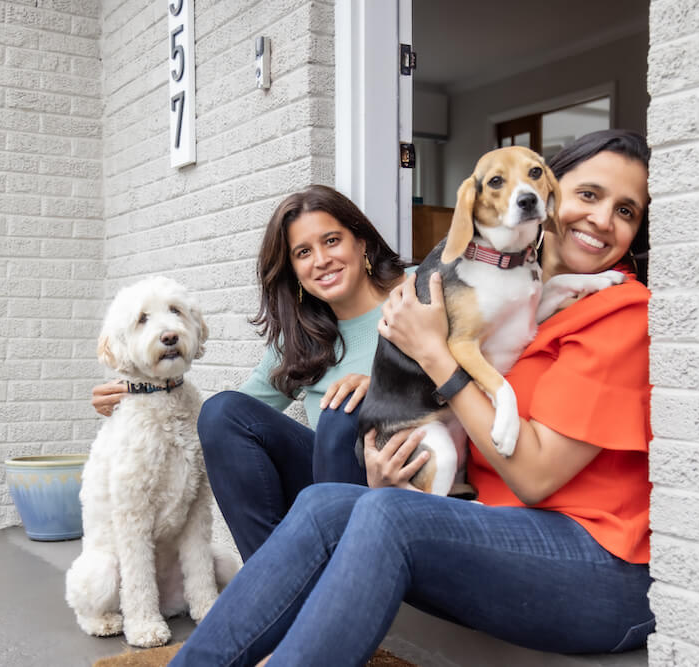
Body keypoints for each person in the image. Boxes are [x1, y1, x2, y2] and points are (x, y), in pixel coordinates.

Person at [168, 129, 656, 666]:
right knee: (325, 502)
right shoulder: (521, 293)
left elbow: (536, 478)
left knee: (386, 515)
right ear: (549, 191)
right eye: (589, 195)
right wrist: (393, 470)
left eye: (627, 210)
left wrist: (436, 357)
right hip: (492, 524)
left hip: (595, 566)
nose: (603, 219)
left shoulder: (621, 312)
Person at [91, 185, 408, 561]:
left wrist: (385, 387)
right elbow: (220, 425)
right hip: (331, 481)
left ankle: (332, 577)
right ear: (294, 270)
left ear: (361, 241)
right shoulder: (303, 337)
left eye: (332, 240)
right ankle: (273, 575)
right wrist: (140, 394)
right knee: (223, 410)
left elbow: (466, 373)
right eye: (303, 252)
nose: (321, 260)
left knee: (343, 413)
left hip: (403, 469)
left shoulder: (416, 294)